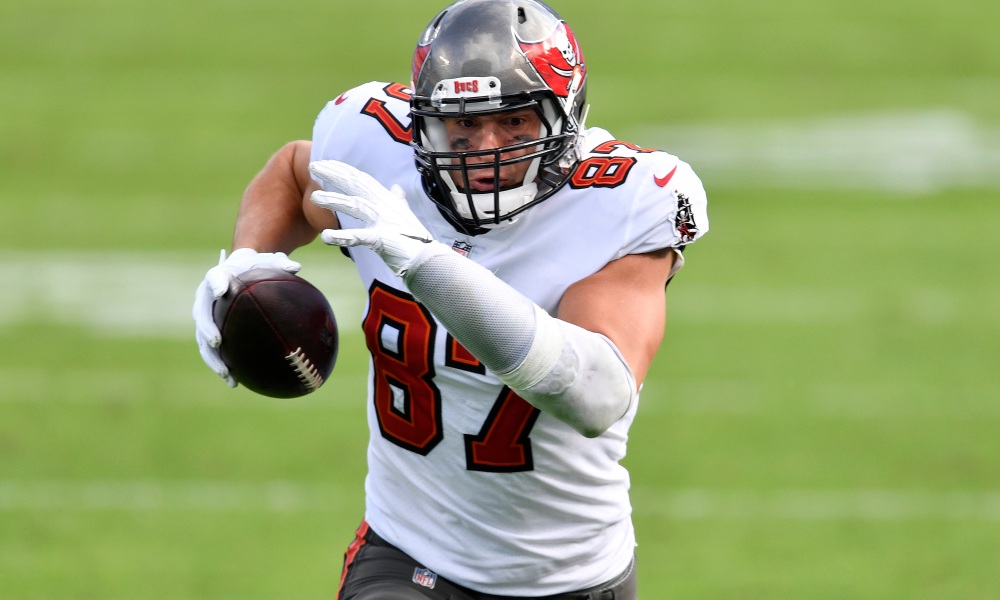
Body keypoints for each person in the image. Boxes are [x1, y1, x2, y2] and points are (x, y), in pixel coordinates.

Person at [193, 0, 708, 597]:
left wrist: (428, 263)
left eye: (514, 121)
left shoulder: (618, 202)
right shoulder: (376, 151)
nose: (486, 148)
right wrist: (247, 264)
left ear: (563, 115)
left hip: (568, 575)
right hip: (406, 551)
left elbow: (594, 394)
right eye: (462, 125)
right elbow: (292, 173)